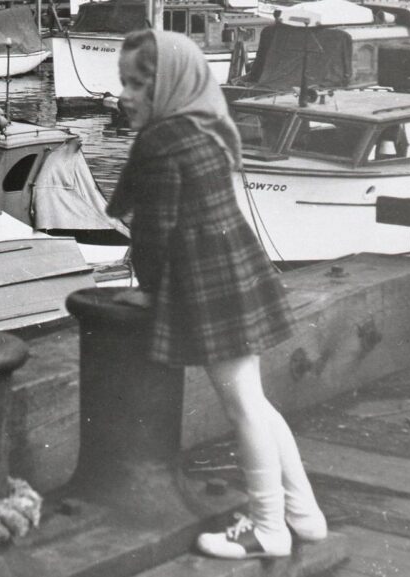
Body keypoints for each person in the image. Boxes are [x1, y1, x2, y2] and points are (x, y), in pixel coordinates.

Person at [105, 29, 328, 560]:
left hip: (206, 285)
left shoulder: (161, 141)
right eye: (123, 83)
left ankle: (268, 528)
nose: (125, 95)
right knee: (255, 401)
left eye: (138, 83)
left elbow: (154, 232)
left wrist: (150, 292)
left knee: (243, 406)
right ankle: (303, 513)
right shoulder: (205, 125)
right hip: (235, 272)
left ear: (170, 84)